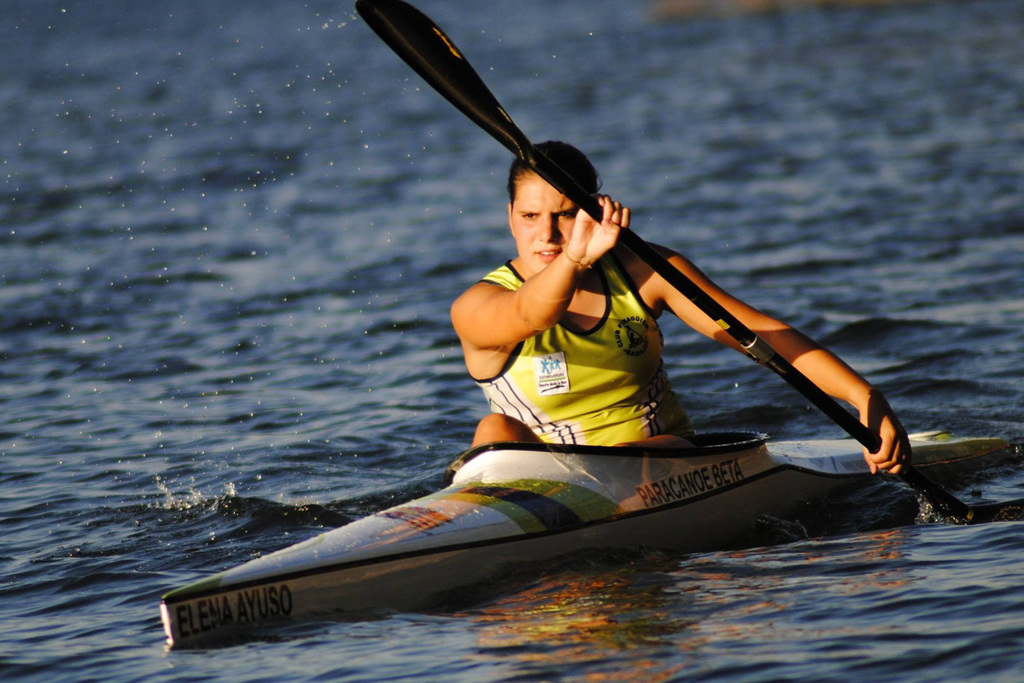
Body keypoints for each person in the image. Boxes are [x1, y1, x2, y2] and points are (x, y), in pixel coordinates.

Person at [450, 141, 910, 474]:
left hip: (661, 460)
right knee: (494, 430)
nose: (547, 234)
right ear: (510, 216)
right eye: (530, 216)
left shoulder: (644, 271)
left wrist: (865, 397)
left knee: (646, 452)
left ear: (594, 212)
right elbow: (534, 315)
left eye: (566, 213)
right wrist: (575, 259)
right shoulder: (477, 306)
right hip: (544, 481)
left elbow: (758, 333)